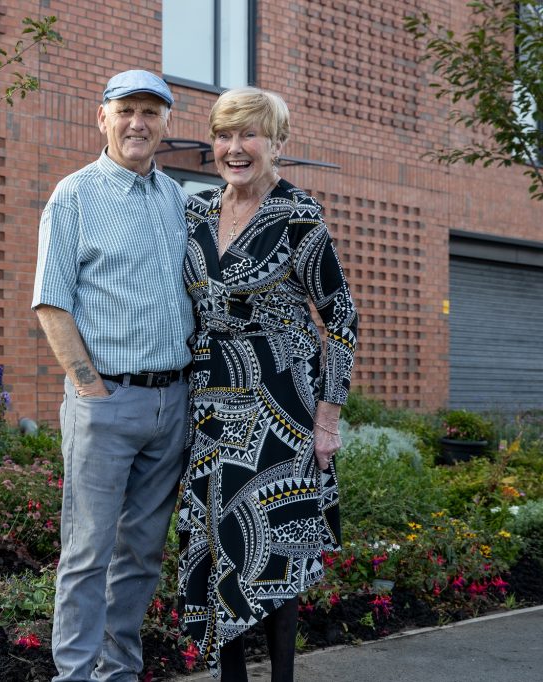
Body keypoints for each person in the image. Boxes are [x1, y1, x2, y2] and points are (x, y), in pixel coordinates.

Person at [178, 87, 359, 682]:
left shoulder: (298, 216)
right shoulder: (196, 211)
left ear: (278, 144)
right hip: (211, 404)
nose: (234, 148)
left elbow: (342, 316)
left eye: (248, 135)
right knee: (218, 544)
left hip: (281, 404)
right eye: (224, 135)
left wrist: (327, 417)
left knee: (275, 547)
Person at [32, 69, 194, 682]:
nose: (138, 123)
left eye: (151, 112)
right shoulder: (73, 195)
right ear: (101, 117)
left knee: (142, 555)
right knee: (87, 552)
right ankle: (74, 676)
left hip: (170, 403)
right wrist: (88, 384)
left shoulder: (179, 200)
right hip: (106, 401)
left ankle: (116, 673)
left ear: (166, 124)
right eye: (126, 110)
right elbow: (51, 301)